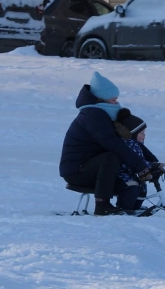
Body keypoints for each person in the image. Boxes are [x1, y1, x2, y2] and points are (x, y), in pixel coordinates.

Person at [59, 72, 153, 216]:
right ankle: (102, 204)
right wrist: (140, 167)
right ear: (101, 99)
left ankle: (128, 207)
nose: (117, 104)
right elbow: (113, 144)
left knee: (126, 176)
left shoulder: (103, 114)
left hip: (92, 167)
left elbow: (128, 141)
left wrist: (152, 163)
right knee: (111, 156)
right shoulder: (93, 115)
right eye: (113, 100)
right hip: (77, 171)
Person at [113, 109, 165, 215]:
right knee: (133, 187)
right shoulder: (129, 145)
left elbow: (142, 160)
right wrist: (152, 166)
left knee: (142, 186)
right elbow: (133, 162)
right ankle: (124, 207)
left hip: (131, 174)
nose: (144, 135)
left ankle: (135, 206)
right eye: (141, 133)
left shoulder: (136, 145)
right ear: (133, 133)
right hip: (122, 175)